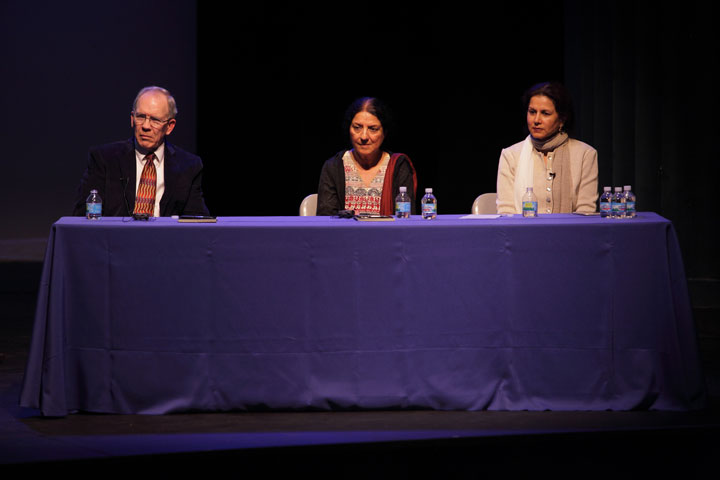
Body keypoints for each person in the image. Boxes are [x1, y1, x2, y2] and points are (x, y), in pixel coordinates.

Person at [73, 86, 209, 217]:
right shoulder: (104, 159)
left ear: (169, 126)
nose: (145, 126)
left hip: (166, 240)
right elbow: (82, 217)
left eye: (155, 120)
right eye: (141, 117)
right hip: (115, 239)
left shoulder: (188, 166)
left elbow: (196, 221)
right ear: (132, 119)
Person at [496, 81, 598, 214]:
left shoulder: (585, 154)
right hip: (523, 233)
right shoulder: (511, 155)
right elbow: (506, 211)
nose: (536, 120)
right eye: (532, 112)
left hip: (571, 233)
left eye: (545, 113)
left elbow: (586, 211)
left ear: (562, 119)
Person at [317, 97, 417, 216]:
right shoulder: (334, 166)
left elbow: (405, 219)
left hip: (388, 234)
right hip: (345, 234)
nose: (364, 136)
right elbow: (326, 220)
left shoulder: (398, 166)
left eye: (373, 129)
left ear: (384, 133)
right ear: (349, 129)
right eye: (357, 127)